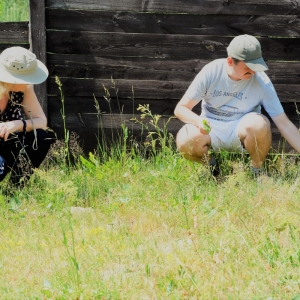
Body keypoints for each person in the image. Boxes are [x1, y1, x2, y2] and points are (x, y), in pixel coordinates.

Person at [174, 34, 300, 176]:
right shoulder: (212, 71)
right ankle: (214, 169)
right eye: (248, 67)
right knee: (185, 139)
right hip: (211, 129)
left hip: (241, 128)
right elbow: (181, 108)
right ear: (230, 61)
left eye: (256, 66)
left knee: (259, 123)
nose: (252, 71)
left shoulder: (261, 81)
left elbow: (284, 123)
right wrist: (198, 121)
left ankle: (257, 172)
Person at [0, 46, 54, 187]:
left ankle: (14, 190)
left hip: (10, 146)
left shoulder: (24, 89)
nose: (29, 81)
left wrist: (18, 124)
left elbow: (42, 121)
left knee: (42, 137)